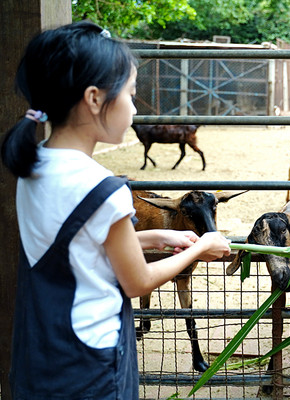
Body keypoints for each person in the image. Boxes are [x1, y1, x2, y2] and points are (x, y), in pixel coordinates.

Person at [1, 21, 231, 400]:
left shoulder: (34, 167)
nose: (134, 106)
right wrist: (199, 248)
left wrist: (154, 236)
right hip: (92, 364)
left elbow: (73, 247)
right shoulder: (104, 188)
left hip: (41, 353)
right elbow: (137, 281)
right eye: (130, 93)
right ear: (94, 99)